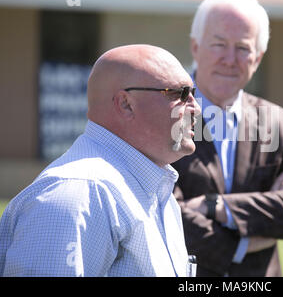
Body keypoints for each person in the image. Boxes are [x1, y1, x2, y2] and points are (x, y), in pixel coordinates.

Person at [0, 44, 201, 276]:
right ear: (126, 104)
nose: (195, 108)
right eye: (181, 94)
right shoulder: (77, 194)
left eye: (193, 94)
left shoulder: (153, 190)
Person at [172, 0, 283, 277]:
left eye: (243, 48)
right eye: (218, 44)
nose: (230, 59)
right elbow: (165, 216)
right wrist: (249, 240)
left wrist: (214, 206)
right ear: (195, 47)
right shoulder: (165, 115)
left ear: (258, 57)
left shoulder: (278, 123)